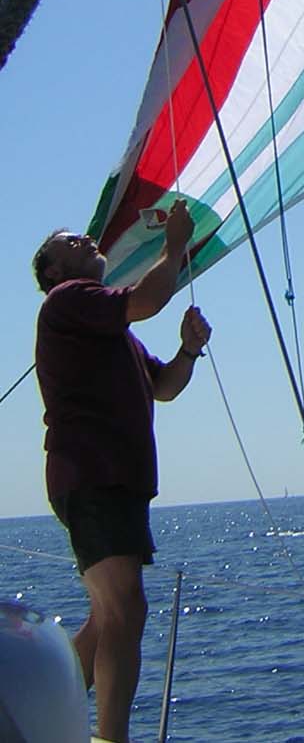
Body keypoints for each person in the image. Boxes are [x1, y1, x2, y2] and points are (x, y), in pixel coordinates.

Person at [33, 199, 210, 743]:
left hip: (113, 481)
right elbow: (147, 300)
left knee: (108, 616)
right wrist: (174, 245)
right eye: (73, 243)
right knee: (125, 609)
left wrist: (188, 350)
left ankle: (37, 719)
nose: (89, 241)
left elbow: (164, 387)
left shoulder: (110, 331)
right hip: (93, 474)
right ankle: (110, 738)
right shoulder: (68, 299)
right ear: (54, 273)